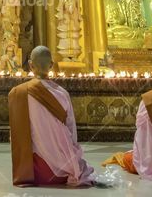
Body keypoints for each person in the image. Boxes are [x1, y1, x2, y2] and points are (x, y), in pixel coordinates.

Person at [8, 46, 94, 186]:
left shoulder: (18, 93)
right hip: (64, 168)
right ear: (51, 65)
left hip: (33, 171)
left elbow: (15, 136)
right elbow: (71, 132)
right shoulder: (63, 94)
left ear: (30, 65)